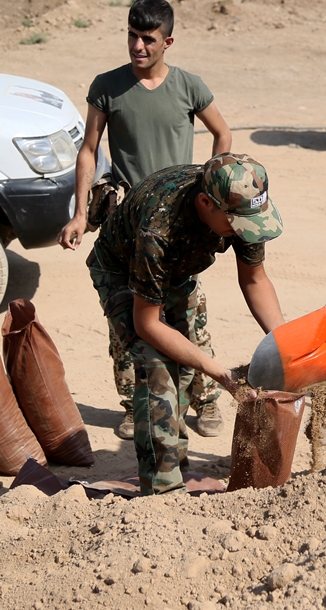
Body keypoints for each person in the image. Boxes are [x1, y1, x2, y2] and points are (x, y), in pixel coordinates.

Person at [57, 0, 233, 440]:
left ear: (167, 41)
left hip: (178, 223)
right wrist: (80, 214)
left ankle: (206, 400)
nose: (138, 46)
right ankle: (136, 402)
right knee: (128, 320)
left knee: (188, 312)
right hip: (130, 225)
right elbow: (89, 150)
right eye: (132, 36)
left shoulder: (188, 87)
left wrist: (213, 189)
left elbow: (222, 132)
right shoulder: (107, 86)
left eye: (148, 39)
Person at [86, 155, 284, 494]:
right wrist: (222, 374)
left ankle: (174, 457)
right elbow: (147, 323)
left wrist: (284, 341)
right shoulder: (158, 228)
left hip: (179, 268)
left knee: (188, 364)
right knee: (157, 365)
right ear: (205, 203)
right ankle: (162, 489)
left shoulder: (242, 205)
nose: (244, 232)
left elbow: (254, 279)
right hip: (123, 270)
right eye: (236, 223)